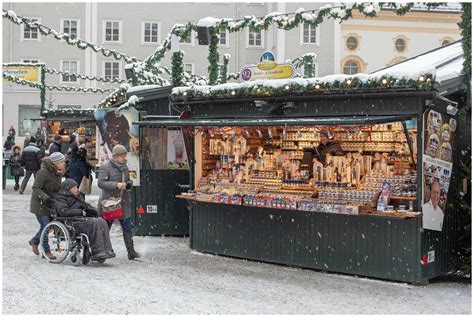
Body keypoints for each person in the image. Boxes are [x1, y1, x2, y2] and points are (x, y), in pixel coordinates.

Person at [54, 179, 116, 262]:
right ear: (67, 189)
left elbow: (86, 205)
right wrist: (80, 212)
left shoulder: (77, 197)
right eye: (74, 188)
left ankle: (107, 250)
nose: (77, 189)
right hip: (71, 221)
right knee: (93, 223)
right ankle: (97, 251)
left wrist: (92, 210)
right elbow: (64, 212)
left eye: (76, 187)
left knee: (101, 221)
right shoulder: (60, 198)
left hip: (80, 219)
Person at [98, 144, 139, 260]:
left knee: (127, 227)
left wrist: (129, 184)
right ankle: (102, 250)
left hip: (123, 201)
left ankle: (131, 252)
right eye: (122, 156)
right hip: (110, 202)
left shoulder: (125, 167)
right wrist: (116, 185)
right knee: (106, 227)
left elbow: (127, 180)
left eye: (125, 155)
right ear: (115, 156)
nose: (124, 158)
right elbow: (100, 183)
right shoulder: (105, 167)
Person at [29, 152, 66, 260]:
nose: (64, 164)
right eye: (62, 162)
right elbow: (36, 188)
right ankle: (46, 250)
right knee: (46, 226)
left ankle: (34, 241)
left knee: (47, 226)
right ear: (55, 163)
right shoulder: (43, 172)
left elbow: (57, 189)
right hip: (39, 204)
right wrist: (46, 198)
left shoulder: (58, 172)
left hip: (51, 203)